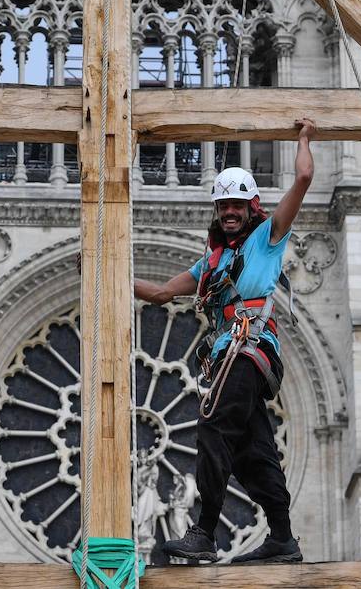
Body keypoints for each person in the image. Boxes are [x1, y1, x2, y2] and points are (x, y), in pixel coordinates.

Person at [133, 118, 316, 564]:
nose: (229, 212)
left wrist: (303, 138)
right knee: (253, 452)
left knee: (213, 426)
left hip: (249, 350)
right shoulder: (210, 264)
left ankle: (205, 532)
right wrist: (108, 277)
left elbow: (305, 178)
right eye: (223, 206)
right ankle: (283, 538)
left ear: (253, 206)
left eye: (237, 204)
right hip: (227, 357)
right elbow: (159, 293)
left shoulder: (267, 238)